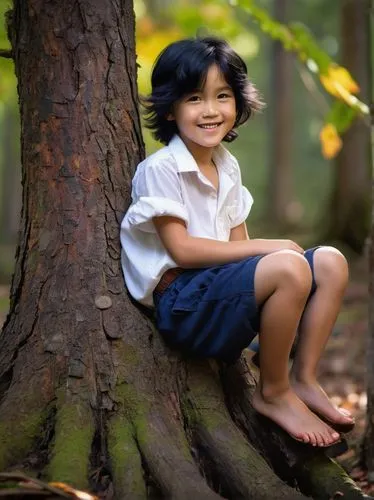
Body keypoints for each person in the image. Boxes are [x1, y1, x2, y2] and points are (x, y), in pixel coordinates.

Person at [120, 36, 354, 448]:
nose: (210, 110)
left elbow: (239, 252)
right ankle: (273, 392)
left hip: (220, 294)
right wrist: (270, 247)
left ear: (238, 103)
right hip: (183, 303)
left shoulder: (227, 167)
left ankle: (303, 379)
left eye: (222, 96)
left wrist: (267, 253)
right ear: (171, 107)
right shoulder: (161, 169)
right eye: (194, 98)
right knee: (287, 263)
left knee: (331, 261)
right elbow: (184, 251)